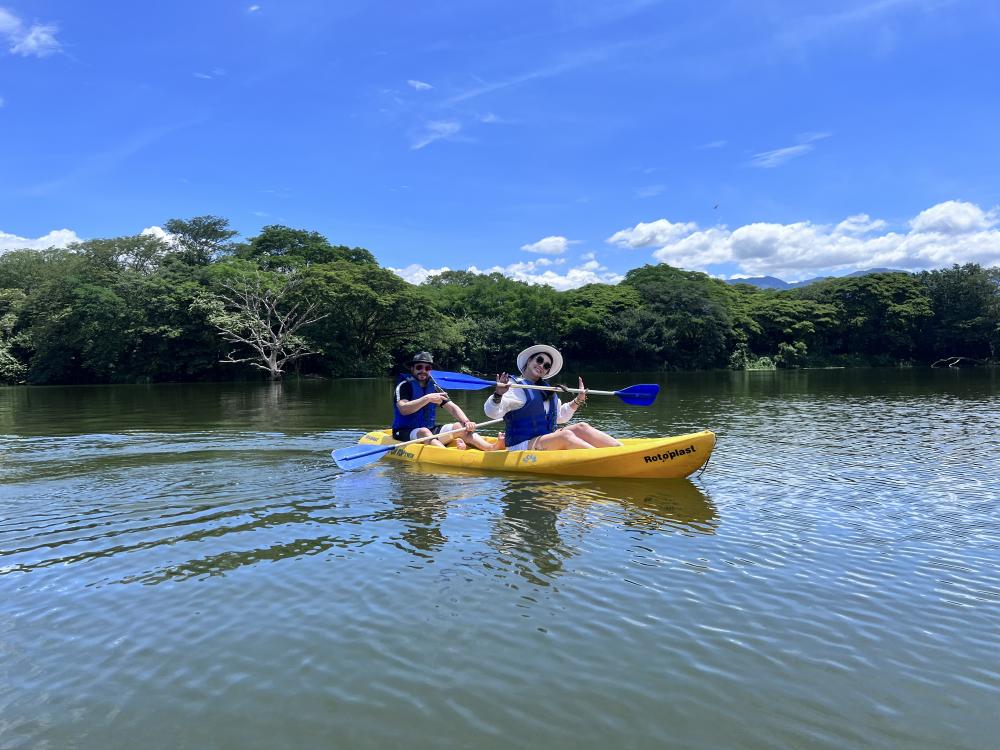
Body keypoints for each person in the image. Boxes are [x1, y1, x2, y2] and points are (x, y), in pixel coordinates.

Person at [483, 344, 623, 452]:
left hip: (545, 439)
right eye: (539, 360)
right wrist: (498, 394)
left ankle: (622, 451)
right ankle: (606, 459)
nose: (541, 365)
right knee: (565, 436)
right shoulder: (513, 386)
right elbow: (492, 413)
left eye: (546, 365)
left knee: (582, 427)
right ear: (530, 360)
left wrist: (579, 399)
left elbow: (559, 416)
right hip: (520, 445)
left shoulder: (546, 390)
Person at [393, 351, 500, 451]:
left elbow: (452, 407)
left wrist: (466, 422)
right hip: (403, 431)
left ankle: (490, 448)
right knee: (424, 432)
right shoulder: (404, 386)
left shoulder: (434, 387)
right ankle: (448, 455)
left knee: (461, 427)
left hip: (430, 430)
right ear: (412, 369)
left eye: (427, 368)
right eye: (419, 367)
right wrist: (427, 398)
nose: (423, 371)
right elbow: (404, 409)